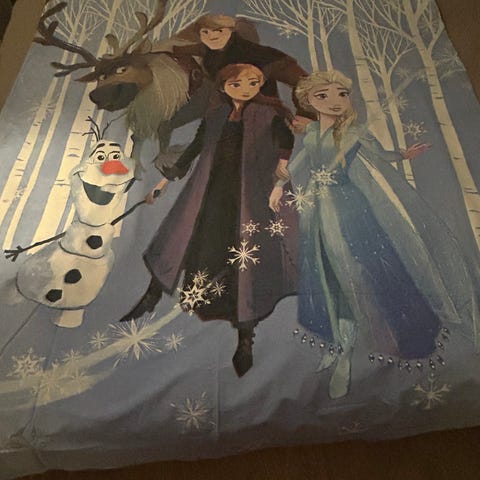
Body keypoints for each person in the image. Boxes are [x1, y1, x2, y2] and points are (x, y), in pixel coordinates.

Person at [270, 70, 479, 398]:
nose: (335, 101)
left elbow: (380, 155)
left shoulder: (354, 133)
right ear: (308, 101)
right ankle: (341, 342)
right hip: (320, 210)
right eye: (323, 95)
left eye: (342, 94)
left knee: (373, 263)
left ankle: (398, 334)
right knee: (329, 268)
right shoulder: (310, 135)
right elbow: (299, 163)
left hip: (352, 204)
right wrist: (279, 185)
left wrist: (403, 155)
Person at [120, 64, 298, 377]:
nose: (246, 88)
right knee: (180, 241)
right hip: (210, 190)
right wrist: (164, 182)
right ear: (223, 86)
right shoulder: (215, 115)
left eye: (253, 83)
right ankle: (151, 296)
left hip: (250, 195)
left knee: (247, 258)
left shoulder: (267, 114)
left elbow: (286, 144)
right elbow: (194, 148)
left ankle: (245, 336)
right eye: (237, 83)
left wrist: (279, 180)